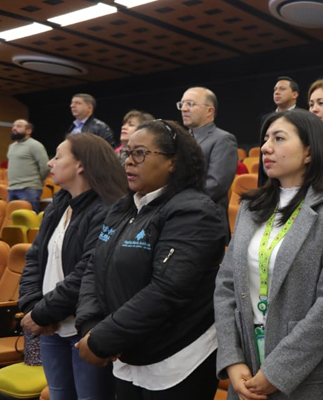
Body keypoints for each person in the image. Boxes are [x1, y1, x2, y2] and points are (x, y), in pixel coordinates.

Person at [74, 120, 227, 400]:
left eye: (140, 153)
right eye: (127, 153)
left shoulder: (195, 212)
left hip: (176, 359)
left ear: (173, 162)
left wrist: (103, 338)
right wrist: (90, 326)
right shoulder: (124, 206)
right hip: (126, 350)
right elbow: (94, 268)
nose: (129, 162)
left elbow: (167, 291)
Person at [215, 110, 323, 400]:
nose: (267, 146)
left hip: (306, 378)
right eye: (266, 139)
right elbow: (225, 287)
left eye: (279, 138)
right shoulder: (250, 207)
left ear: (309, 152)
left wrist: (276, 372)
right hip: (245, 371)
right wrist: (232, 359)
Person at [18, 133, 127, 400]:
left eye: (58, 156)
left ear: (81, 164)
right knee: (58, 395)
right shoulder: (59, 204)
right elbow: (34, 258)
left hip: (85, 330)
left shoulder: (108, 209)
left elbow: (86, 273)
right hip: (51, 328)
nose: (50, 164)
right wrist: (33, 307)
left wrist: (41, 314)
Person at [178, 87, 239, 236]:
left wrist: (179, 203)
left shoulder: (223, 139)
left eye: (190, 104)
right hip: (178, 218)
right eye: (182, 104)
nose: (184, 109)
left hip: (205, 221)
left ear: (209, 111)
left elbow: (215, 185)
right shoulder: (180, 140)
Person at [6, 119, 49, 212]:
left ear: (29, 131)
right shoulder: (12, 146)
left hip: (29, 189)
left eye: (19, 126)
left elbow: (45, 167)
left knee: (29, 219)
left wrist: (39, 180)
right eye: (13, 126)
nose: (14, 128)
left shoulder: (35, 145)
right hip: (12, 188)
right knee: (12, 221)